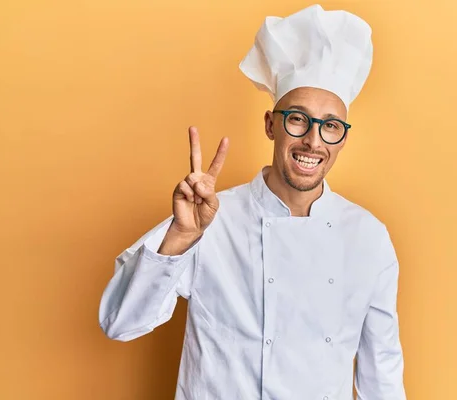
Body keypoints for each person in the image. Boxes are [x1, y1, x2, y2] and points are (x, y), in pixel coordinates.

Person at [99, 4, 406, 399]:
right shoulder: (207, 219)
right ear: (270, 124)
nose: (313, 141)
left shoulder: (368, 237)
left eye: (330, 126)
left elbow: (382, 376)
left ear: (342, 138)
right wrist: (179, 237)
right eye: (298, 119)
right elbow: (120, 323)